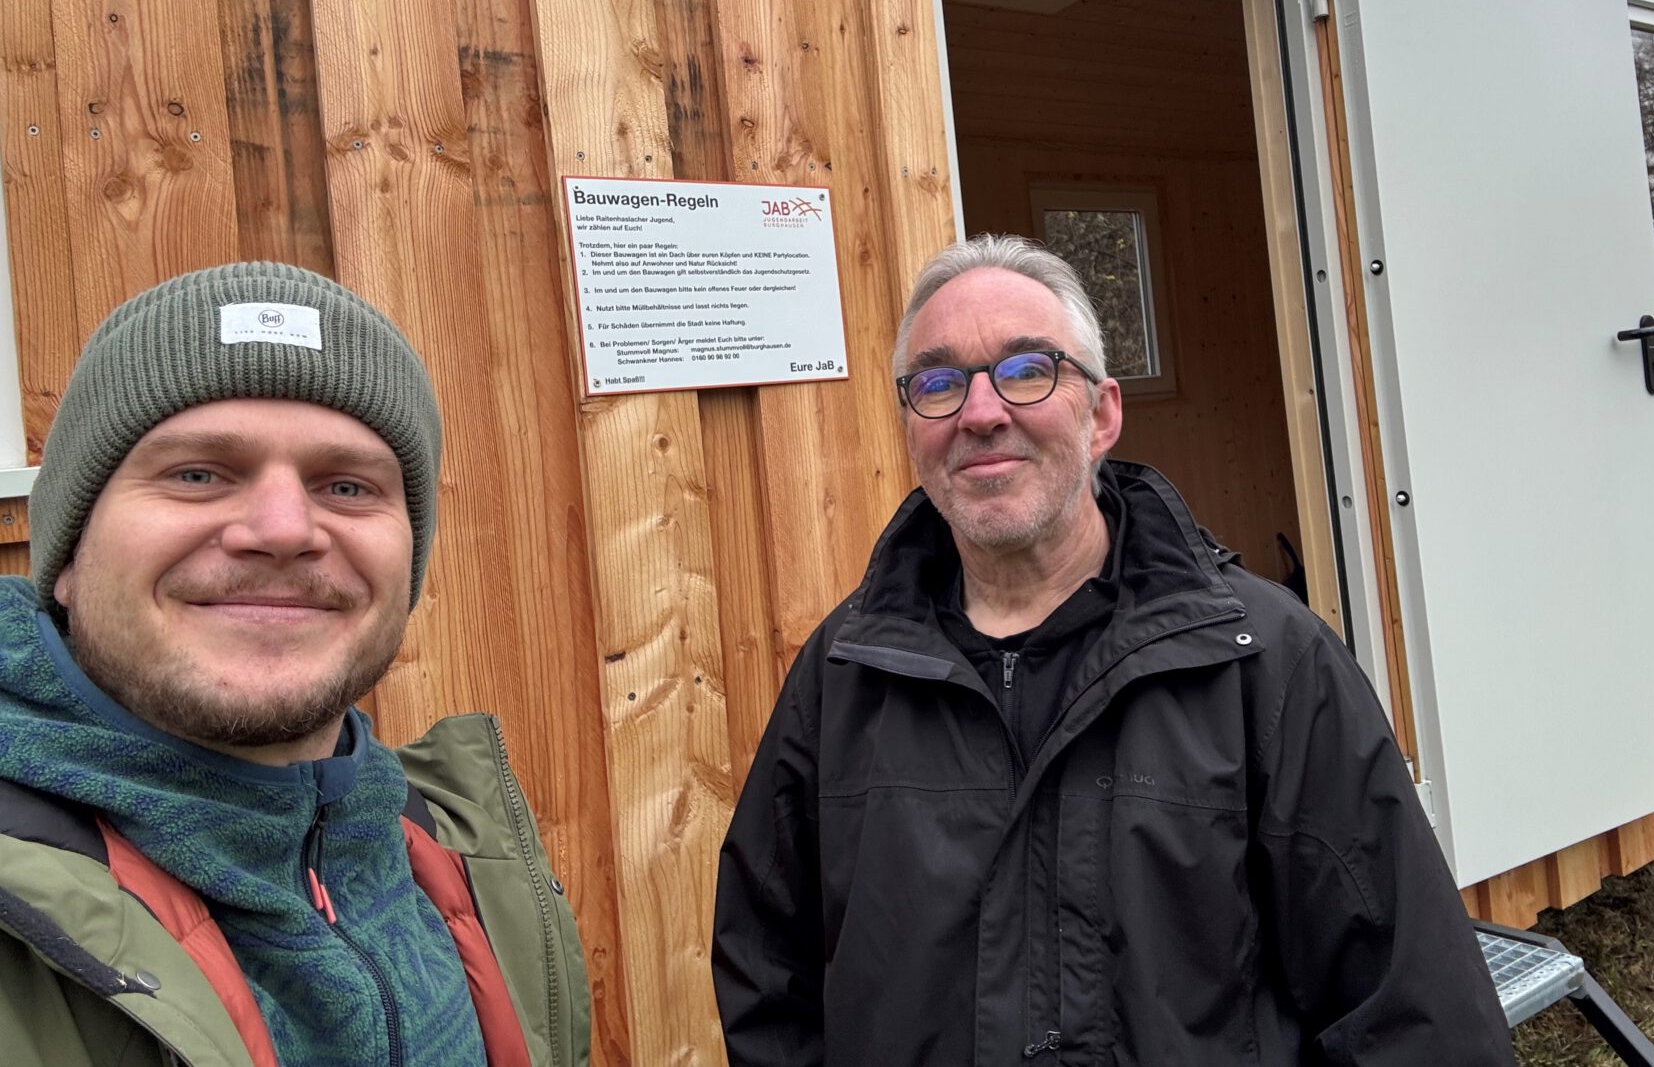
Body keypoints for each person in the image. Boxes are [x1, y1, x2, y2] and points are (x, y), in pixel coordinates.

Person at [713, 234, 1513, 1065]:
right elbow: (769, 976)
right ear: (912, 429)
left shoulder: (1265, 663)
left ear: (1102, 415)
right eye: (939, 384)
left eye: (1027, 370)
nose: (981, 414)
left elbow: (1414, 1011)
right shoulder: (843, 674)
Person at [0, 262, 590, 1066]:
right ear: (67, 557)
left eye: (346, 486)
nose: (283, 528)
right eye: (198, 473)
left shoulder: (464, 861)